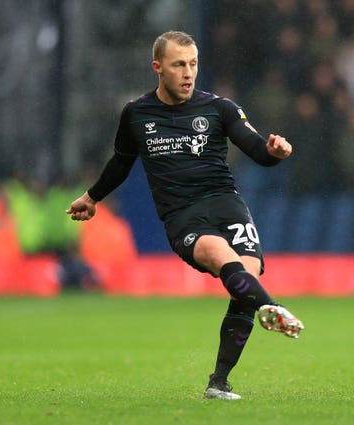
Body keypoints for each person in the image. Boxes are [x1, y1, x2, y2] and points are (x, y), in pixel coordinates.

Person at [65, 31, 304, 400]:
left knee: (247, 275)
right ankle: (273, 307)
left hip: (227, 204)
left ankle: (219, 383)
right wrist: (91, 197)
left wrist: (276, 151)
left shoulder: (220, 108)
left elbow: (258, 150)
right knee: (220, 256)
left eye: (193, 64)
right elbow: (121, 163)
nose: (188, 72)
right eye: (179, 64)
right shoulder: (137, 114)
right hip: (183, 215)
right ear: (158, 68)